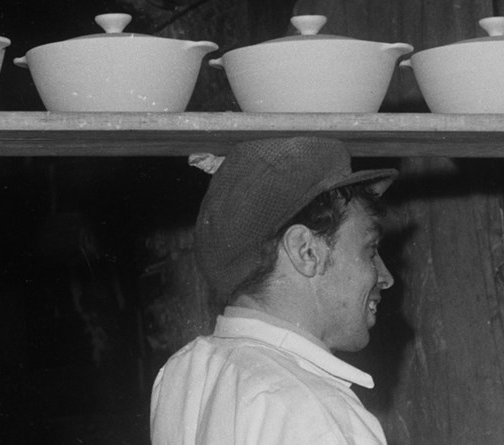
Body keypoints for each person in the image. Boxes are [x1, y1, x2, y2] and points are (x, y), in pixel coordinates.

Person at [151, 137, 399, 445]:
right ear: (305, 251)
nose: (385, 277)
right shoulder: (321, 418)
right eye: (370, 249)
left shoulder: (183, 371)